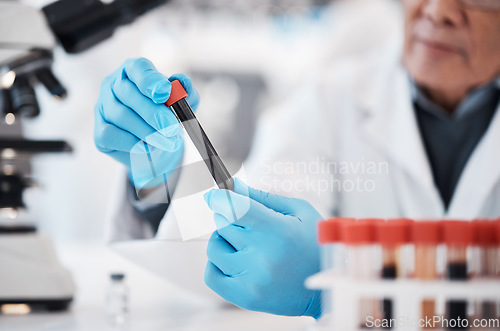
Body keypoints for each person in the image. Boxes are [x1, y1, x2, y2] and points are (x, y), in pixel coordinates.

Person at [94, 0, 500, 319]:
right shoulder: (329, 100)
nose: (438, 10)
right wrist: (154, 176)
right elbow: (229, 253)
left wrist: (346, 281)